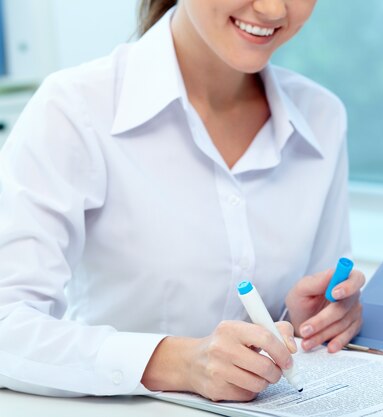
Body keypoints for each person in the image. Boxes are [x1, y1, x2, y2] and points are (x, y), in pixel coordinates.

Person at [0, 0, 364, 402]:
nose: (274, 9)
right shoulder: (73, 109)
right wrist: (179, 362)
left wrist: (311, 323)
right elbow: (6, 327)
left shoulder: (322, 116)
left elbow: (317, 309)